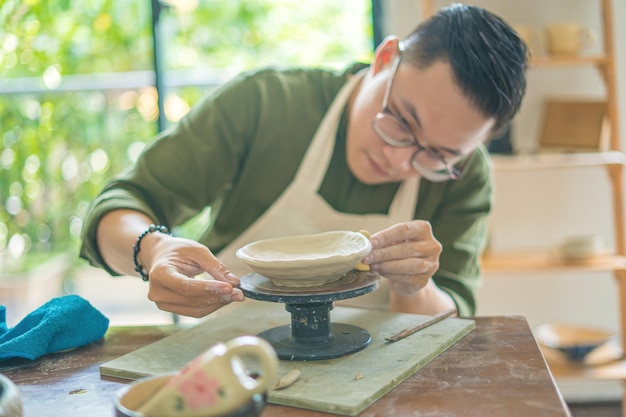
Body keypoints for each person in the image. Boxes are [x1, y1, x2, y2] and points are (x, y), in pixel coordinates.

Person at [80, 4, 528, 319]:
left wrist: (416, 287)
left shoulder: (465, 177)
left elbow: (452, 317)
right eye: (401, 120)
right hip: (229, 371)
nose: (398, 159)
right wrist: (153, 249)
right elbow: (120, 204)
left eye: (436, 155)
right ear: (384, 59)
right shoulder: (266, 104)